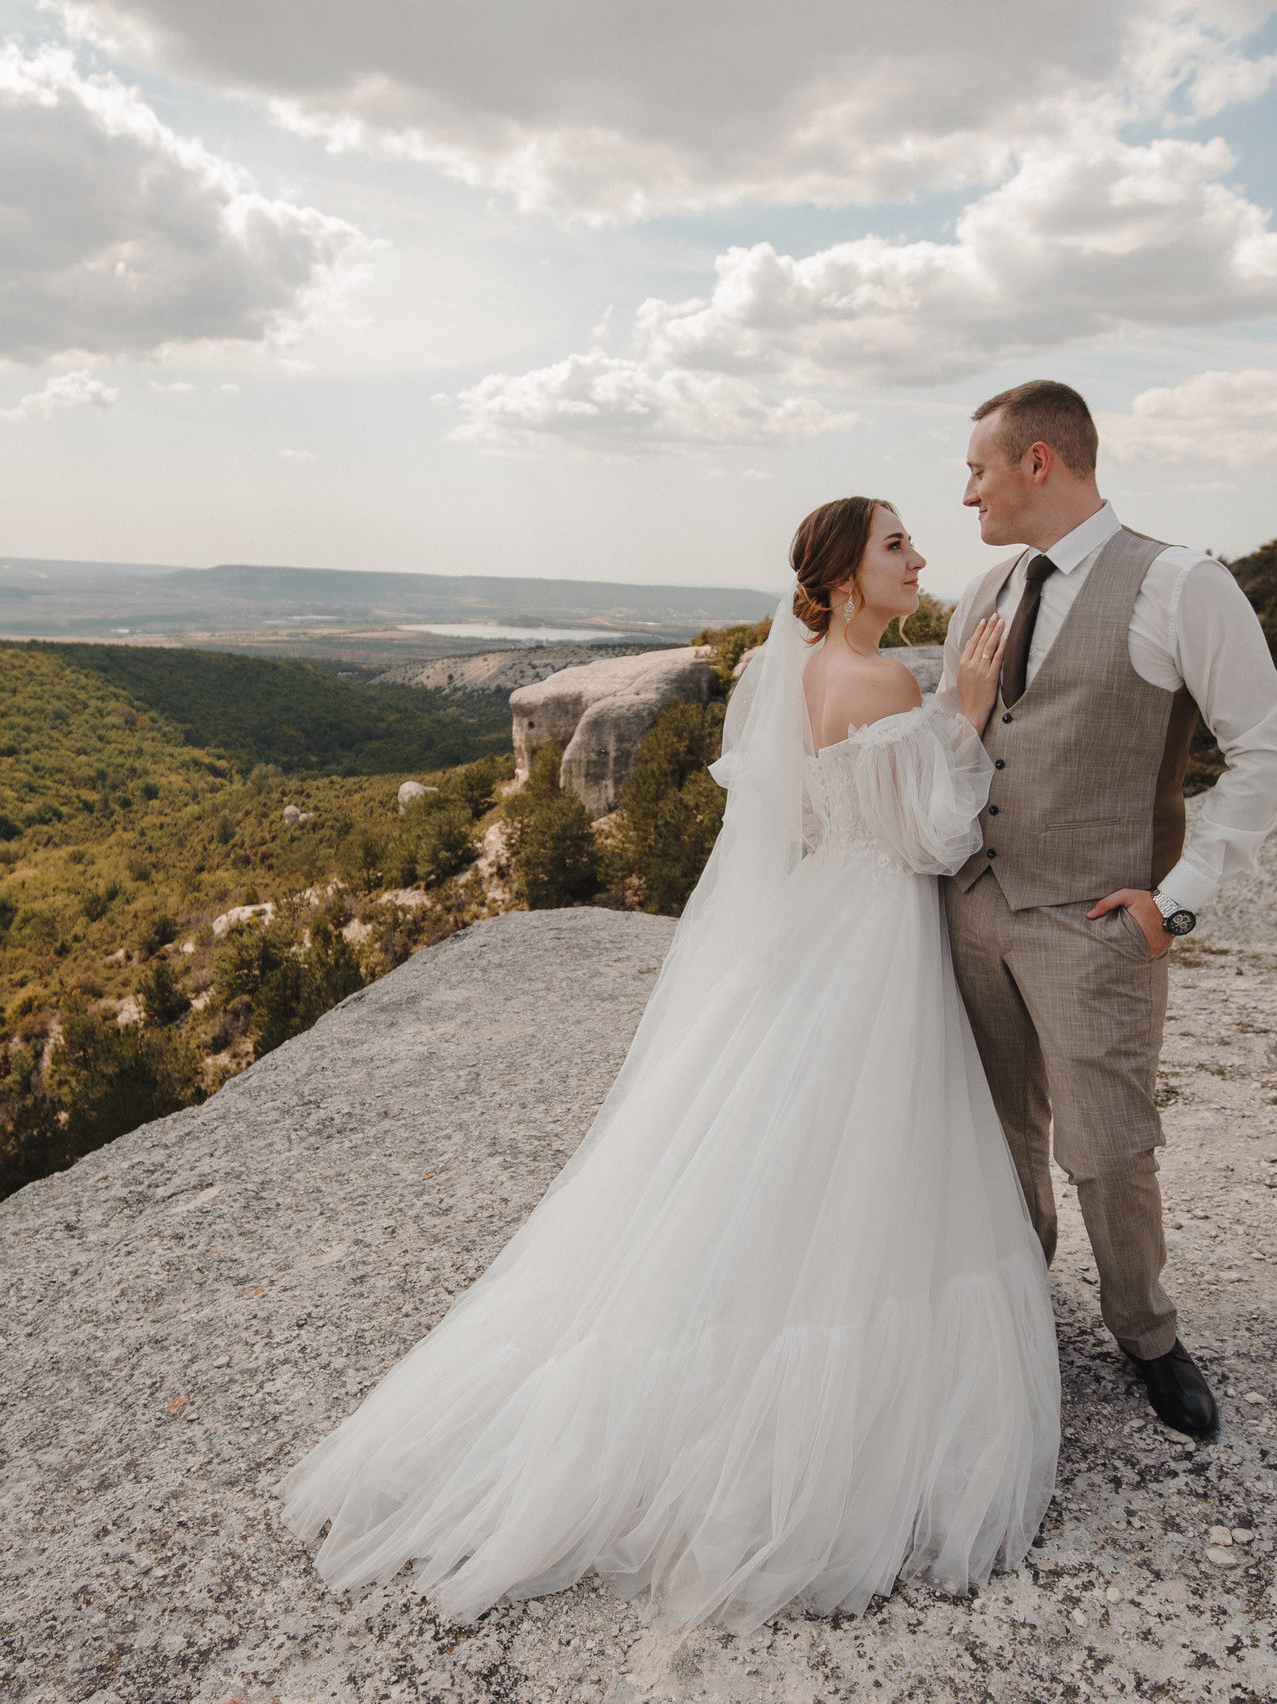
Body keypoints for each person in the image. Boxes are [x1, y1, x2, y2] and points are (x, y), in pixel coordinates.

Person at [279, 499, 1058, 1633]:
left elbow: (797, 827)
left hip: (821, 918)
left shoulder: (790, 679)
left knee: (778, 1135)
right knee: (869, 1133)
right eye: (897, 545)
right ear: (844, 576)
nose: (920, 558)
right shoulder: (891, 684)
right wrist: (968, 720)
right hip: (878, 926)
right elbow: (930, 840)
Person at [936, 380, 1277, 1441]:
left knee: (1106, 1145)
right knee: (998, 1131)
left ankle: (1145, 1334)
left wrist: (1178, 901)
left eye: (977, 470)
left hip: (1094, 920)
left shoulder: (1181, 583)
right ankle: (1016, 1310)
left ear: (1037, 462)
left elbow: (1266, 752)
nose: (967, 496)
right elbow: (960, 746)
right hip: (973, 908)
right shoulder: (984, 592)